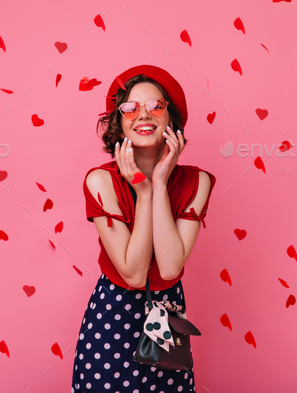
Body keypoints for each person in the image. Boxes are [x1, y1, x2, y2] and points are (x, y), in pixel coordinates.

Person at [71, 65, 216, 392]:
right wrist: (143, 191)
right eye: (130, 108)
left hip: (168, 317)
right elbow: (134, 274)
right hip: (112, 316)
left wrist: (159, 185)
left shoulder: (197, 182)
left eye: (155, 106)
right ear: (119, 123)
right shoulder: (100, 182)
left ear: (171, 120)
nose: (143, 115)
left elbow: (168, 267)